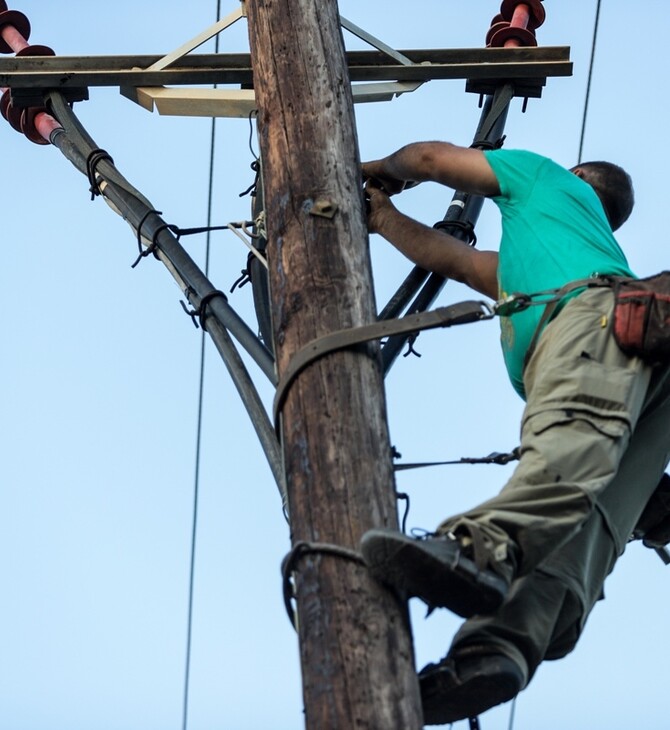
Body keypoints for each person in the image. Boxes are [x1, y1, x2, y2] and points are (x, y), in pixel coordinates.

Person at [359, 142, 670, 724]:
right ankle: (496, 648)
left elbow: (429, 160)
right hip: (648, 360)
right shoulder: (547, 257)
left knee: (565, 449)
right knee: (588, 521)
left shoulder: (547, 180)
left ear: (577, 178)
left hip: (598, 329)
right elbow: (454, 259)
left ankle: (479, 551)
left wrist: (374, 172)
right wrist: (381, 217)